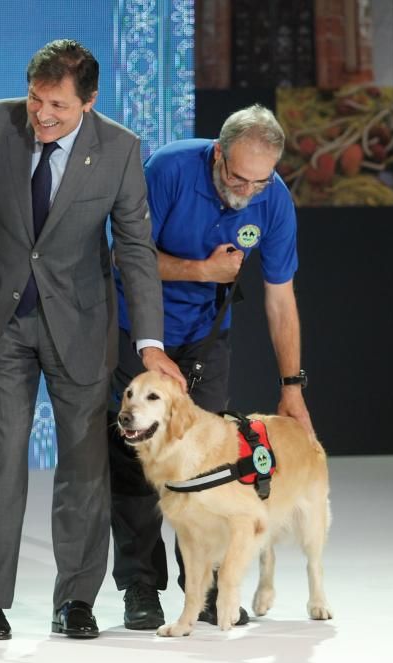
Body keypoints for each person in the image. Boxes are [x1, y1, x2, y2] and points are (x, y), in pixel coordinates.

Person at [0, 39, 184, 641]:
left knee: (85, 465)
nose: (42, 115)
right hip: (1, 322)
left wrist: (150, 342)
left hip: (81, 326)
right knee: (5, 454)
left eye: (59, 107)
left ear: (89, 102)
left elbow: (135, 252)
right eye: (36, 99)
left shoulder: (120, 150)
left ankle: (75, 601)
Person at [108, 104, 314, 630]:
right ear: (218, 154)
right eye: (236, 176)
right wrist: (202, 270)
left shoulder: (274, 202)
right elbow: (125, 255)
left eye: (259, 182)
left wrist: (292, 387)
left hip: (205, 336)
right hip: (135, 331)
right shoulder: (169, 170)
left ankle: (201, 588)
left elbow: (280, 298)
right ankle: (139, 587)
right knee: (136, 464)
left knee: (209, 463)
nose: (245, 190)